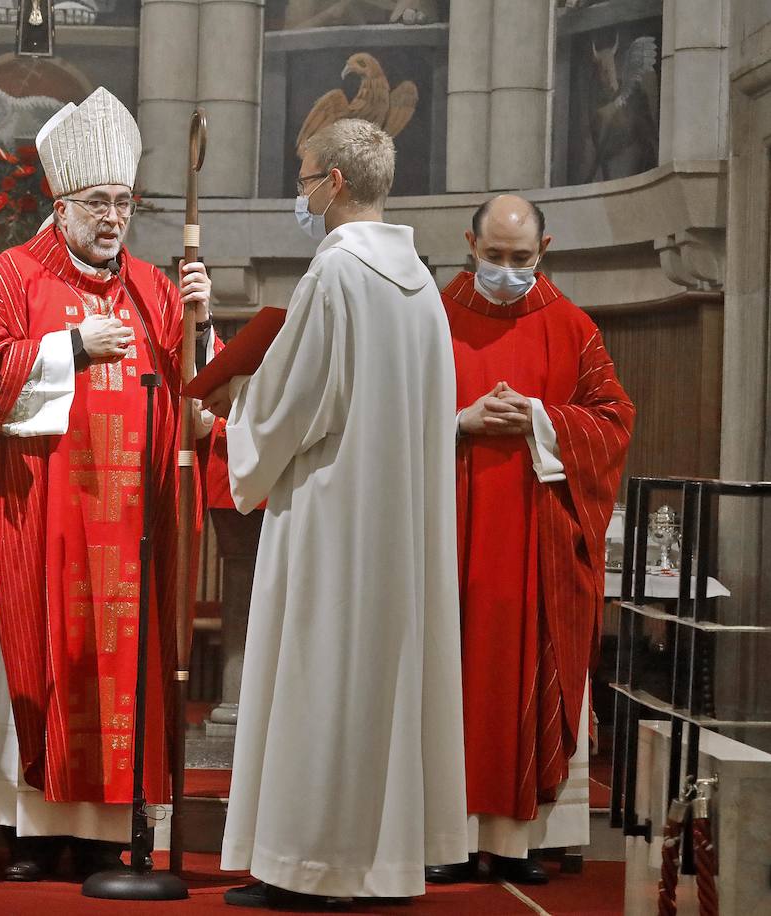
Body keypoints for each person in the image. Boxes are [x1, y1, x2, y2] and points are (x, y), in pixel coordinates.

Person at [0, 87, 214, 882]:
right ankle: (28, 830)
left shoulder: (156, 288)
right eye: (97, 202)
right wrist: (69, 350)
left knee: (119, 669)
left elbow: (191, 397)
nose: (114, 217)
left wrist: (202, 325)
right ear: (60, 201)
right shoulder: (10, 276)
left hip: (127, 526)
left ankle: (99, 829)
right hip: (32, 512)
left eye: (124, 201)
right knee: (33, 653)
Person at [203, 118, 468, 908]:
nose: (300, 188)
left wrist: (226, 415)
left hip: (331, 516)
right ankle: (377, 863)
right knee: (378, 689)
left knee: (318, 681)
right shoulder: (421, 283)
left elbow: (295, 406)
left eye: (304, 172)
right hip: (399, 527)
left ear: (336, 183)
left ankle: (306, 869)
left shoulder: (335, 276)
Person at [432, 194, 633, 885]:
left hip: (537, 546)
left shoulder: (571, 327)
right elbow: (385, 414)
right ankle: (441, 839)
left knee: (523, 674)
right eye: (494, 257)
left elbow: (613, 419)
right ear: (470, 242)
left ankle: (517, 840)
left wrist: (543, 420)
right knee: (446, 679)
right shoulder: (430, 317)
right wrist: (460, 422)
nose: (508, 271)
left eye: (522, 259)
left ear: (545, 250)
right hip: (447, 538)